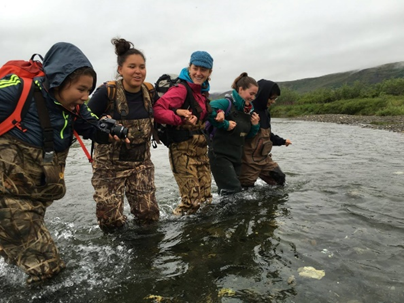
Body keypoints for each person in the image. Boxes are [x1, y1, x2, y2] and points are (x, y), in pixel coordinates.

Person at [0, 42, 112, 283]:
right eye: (81, 89)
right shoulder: (17, 91)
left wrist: (107, 129)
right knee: (48, 269)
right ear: (60, 80)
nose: (85, 97)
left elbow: (91, 124)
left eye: (89, 91)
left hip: (33, 200)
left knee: (16, 259)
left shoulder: (73, 107)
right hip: (8, 200)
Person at [87, 38, 160, 232]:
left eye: (142, 67)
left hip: (141, 164)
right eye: (132, 67)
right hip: (108, 168)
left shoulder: (150, 92)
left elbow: (163, 112)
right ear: (120, 69)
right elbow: (84, 121)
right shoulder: (106, 92)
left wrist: (179, 114)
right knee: (110, 221)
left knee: (149, 216)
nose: (138, 71)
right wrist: (103, 122)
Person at [153, 51, 214, 215]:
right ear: (190, 67)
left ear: (210, 72)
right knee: (191, 203)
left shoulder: (201, 92)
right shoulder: (181, 89)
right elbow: (157, 110)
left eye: (204, 70)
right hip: (182, 151)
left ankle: (201, 232)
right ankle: (174, 234)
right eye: (195, 68)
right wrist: (179, 119)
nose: (199, 73)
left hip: (201, 151)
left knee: (206, 198)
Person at [208, 72, 260, 195]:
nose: (252, 97)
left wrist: (255, 125)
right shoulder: (226, 103)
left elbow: (248, 136)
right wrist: (225, 124)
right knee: (233, 192)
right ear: (241, 89)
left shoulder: (248, 111)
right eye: (251, 93)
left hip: (236, 157)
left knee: (230, 193)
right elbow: (208, 109)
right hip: (219, 155)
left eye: (255, 95)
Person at [239, 79, 292, 188]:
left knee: (280, 178)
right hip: (248, 162)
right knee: (245, 193)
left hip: (264, 159)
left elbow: (267, 135)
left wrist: (282, 141)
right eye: (271, 98)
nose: (273, 101)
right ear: (263, 95)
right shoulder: (247, 111)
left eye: (275, 99)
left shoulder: (266, 113)